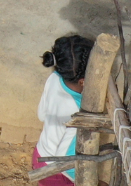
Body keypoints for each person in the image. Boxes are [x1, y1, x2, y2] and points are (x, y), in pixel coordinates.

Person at [35, 34, 95, 186]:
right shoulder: (78, 110)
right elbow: (64, 156)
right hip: (58, 172)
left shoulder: (55, 78)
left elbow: (42, 115)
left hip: (40, 155)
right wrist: (84, 181)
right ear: (83, 81)